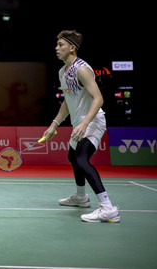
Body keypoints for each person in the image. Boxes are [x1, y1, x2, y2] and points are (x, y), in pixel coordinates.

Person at [41, 30, 120, 223]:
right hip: (79, 122)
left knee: (82, 159)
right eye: (57, 45)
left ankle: (108, 208)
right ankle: (81, 197)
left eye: (60, 45)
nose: (56, 48)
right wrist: (54, 124)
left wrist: (85, 123)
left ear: (72, 48)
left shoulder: (82, 69)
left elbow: (98, 98)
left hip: (92, 121)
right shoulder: (63, 72)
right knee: (72, 157)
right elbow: (68, 102)